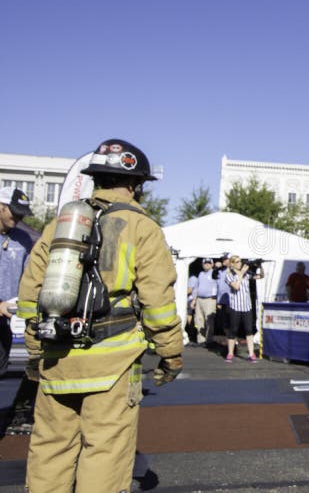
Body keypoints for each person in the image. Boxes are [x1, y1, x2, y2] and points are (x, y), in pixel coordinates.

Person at [16, 138, 184, 492]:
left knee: (50, 448)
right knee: (104, 450)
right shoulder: (142, 227)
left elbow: (30, 292)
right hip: (113, 362)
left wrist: (35, 349)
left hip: (56, 357)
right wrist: (170, 353)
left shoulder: (61, 226)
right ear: (135, 185)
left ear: (95, 179)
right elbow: (157, 300)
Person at [0, 187, 36, 436]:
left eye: (22, 213)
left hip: (5, 321)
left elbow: (29, 277)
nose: (19, 217)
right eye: (14, 212)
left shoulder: (22, 239)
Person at [225, 255, 257, 363]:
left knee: (249, 330)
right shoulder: (229, 276)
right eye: (237, 262)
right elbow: (236, 287)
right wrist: (241, 274)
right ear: (232, 264)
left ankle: (251, 354)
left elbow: (260, 276)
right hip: (236, 306)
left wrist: (259, 266)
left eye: (240, 261)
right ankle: (230, 353)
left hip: (247, 306)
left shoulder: (246, 275)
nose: (240, 264)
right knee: (233, 330)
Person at [190, 258, 217, 347]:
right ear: (202, 264)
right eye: (205, 263)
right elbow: (196, 287)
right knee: (198, 319)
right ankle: (201, 340)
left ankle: (209, 340)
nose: (207, 264)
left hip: (210, 299)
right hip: (199, 299)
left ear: (212, 264)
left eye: (209, 263)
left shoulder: (214, 273)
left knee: (209, 320)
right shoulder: (201, 274)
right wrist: (194, 300)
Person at [216, 254, 231, 344]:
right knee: (225, 322)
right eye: (223, 260)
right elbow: (219, 286)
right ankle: (228, 339)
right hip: (223, 301)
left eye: (225, 259)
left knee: (230, 322)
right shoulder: (221, 271)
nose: (223, 261)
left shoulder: (233, 270)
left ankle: (232, 340)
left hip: (232, 300)